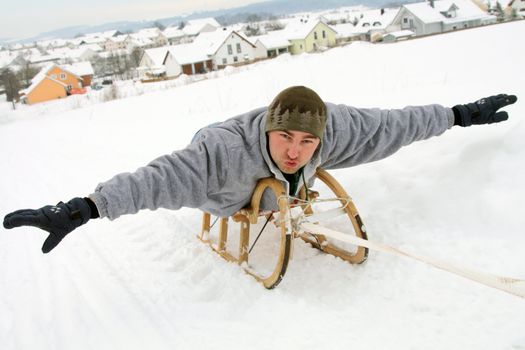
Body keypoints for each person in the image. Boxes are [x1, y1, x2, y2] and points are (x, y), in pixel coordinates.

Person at [2, 86, 517, 253]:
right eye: (285, 138)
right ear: (270, 129)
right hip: (228, 183)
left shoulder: (333, 130)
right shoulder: (220, 156)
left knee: (301, 173)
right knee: (216, 182)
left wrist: (457, 115)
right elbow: (154, 178)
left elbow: (393, 125)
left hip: (271, 175)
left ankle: (287, 197)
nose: (295, 151)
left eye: (307, 142)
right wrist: (84, 207)